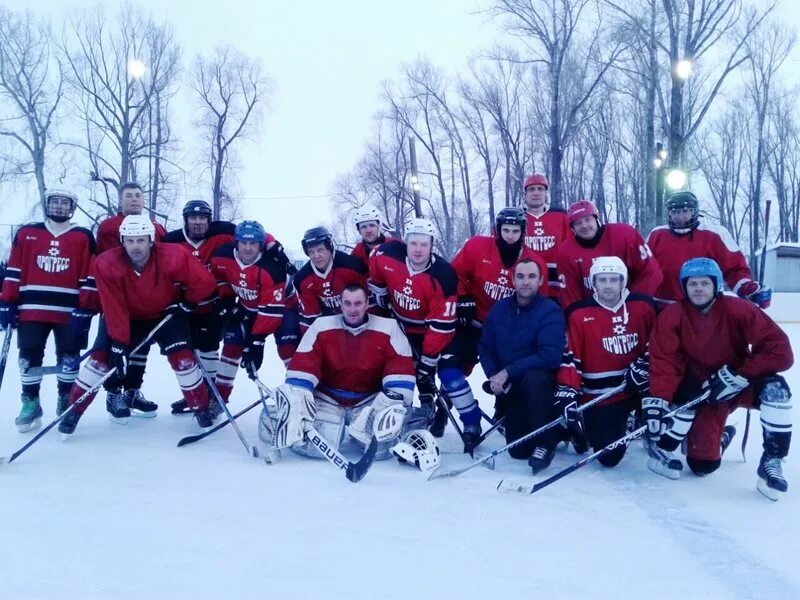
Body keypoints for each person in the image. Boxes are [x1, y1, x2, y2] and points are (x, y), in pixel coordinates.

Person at [644, 258, 794, 500]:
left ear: (716, 285)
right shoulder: (673, 315)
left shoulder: (738, 309)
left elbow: (780, 351)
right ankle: (721, 435)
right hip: (702, 391)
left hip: (740, 382)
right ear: (684, 287)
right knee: (703, 466)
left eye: (705, 283)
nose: (699, 288)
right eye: (692, 283)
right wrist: (658, 400)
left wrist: (741, 374)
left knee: (776, 391)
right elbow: (664, 362)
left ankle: (772, 461)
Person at [58, 215, 218, 435]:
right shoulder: (106, 263)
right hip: (126, 317)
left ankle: (200, 409)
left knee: (183, 360)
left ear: (151, 240)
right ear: (122, 241)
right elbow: (114, 306)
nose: (136, 246)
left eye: (141, 240)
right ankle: (73, 411)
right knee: (100, 361)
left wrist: (188, 303)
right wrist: (118, 343)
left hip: (165, 315)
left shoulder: (173, 255)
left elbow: (205, 282)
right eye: (130, 240)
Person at [369, 218, 482, 450]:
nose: (418, 249)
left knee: (450, 373)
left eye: (424, 244)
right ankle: (414, 413)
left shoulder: (443, 275)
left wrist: (428, 361)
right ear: (405, 243)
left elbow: (441, 326)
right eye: (413, 243)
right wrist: (379, 289)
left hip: (436, 331)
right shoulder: (387, 254)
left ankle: (472, 423)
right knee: (400, 374)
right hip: (401, 328)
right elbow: (375, 264)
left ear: (432, 245)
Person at [270, 284, 416, 460]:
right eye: (347, 303)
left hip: (368, 400)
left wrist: (388, 404)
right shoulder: (322, 326)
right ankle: (273, 418)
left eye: (358, 303)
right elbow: (305, 364)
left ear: (367, 304)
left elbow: (400, 371)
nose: (352, 309)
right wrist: (297, 396)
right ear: (340, 305)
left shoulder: (388, 327)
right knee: (318, 448)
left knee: (380, 451)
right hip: (328, 398)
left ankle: (362, 430)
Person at [0, 189, 95, 431]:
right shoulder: (27, 232)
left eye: (65, 203)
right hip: (31, 309)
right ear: (47, 204)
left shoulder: (83, 236)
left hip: (68, 311)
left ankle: (65, 399)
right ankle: (31, 401)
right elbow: (14, 269)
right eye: (56, 202)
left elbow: (89, 273)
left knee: (69, 358)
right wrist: (7, 301)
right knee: (28, 357)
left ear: (72, 208)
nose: (60, 207)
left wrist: (86, 307)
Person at [556, 257, 658, 471]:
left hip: (639, 387)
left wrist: (645, 366)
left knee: (664, 421)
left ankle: (645, 424)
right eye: (602, 280)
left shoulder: (643, 306)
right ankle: (613, 423)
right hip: (603, 394)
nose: (608, 285)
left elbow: (660, 344)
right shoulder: (579, 313)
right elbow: (571, 357)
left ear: (623, 282)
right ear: (593, 283)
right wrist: (568, 390)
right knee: (608, 458)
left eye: (614, 279)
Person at [450, 206, 549, 424]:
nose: (511, 235)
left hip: (508, 327)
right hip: (475, 321)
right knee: (457, 362)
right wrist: (463, 298)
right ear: (498, 230)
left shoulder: (534, 262)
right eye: (506, 230)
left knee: (509, 364)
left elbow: (539, 300)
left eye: (515, 230)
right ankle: (444, 408)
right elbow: (454, 273)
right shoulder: (477, 246)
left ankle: (504, 406)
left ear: (523, 232)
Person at [479, 258, 565, 473]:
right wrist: (493, 375)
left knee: (534, 378)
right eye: (520, 276)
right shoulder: (500, 309)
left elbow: (550, 356)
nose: (525, 282)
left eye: (531, 276)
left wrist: (507, 371)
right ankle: (563, 429)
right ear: (513, 280)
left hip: (541, 385)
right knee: (518, 451)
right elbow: (485, 347)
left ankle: (546, 442)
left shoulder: (550, 311)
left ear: (541, 280)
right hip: (511, 387)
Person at [94, 182, 168, 413]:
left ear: (144, 200)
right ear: (120, 200)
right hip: (116, 299)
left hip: (145, 299)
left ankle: (132, 392)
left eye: (138, 195)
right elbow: (100, 261)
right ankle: (113, 393)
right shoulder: (108, 227)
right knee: (115, 347)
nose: (134, 199)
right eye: (128, 196)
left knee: (141, 348)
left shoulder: (155, 227)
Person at [209, 220, 289, 417]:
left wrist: (256, 341)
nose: (247, 247)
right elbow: (219, 277)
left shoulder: (271, 268)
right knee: (231, 345)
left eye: (253, 243)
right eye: (243, 242)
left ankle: (299, 398)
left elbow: (271, 312)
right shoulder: (222, 256)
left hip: (285, 309)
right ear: (236, 242)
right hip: (247, 308)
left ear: (261, 245)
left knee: (289, 351)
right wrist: (226, 299)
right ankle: (219, 399)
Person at [647, 191, 771, 308]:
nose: (680, 217)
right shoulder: (657, 234)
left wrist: (747, 287)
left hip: (702, 309)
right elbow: (644, 269)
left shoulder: (715, 234)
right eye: (675, 212)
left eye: (685, 211)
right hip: (663, 307)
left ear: (694, 212)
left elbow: (735, 269)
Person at [559, 199, 662, 310]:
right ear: (572, 228)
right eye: (578, 223)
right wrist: (582, 316)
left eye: (587, 219)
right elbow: (570, 295)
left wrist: (636, 301)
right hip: (593, 312)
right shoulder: (566, 252)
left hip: (630, 305)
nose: (584, 225)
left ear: (596, 219)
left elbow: (650, 272)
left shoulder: (624, 235)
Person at [293, 226, 368, 333]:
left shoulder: (352, 267)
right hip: (329, 323)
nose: (316, 256)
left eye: (320, 250)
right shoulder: (302, 279)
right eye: (311, 252)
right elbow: (311, 316)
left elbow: (368, 303)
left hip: (358, 318)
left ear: (329, 247)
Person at [521, 173, 571, 296]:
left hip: (557, 284)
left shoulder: (561, 216)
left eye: (540, 189)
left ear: (546, 193)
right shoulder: (517, 217)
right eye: (531, 189)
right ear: (525, 194)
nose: (536, 193)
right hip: (524, 283)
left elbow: (571, 247)